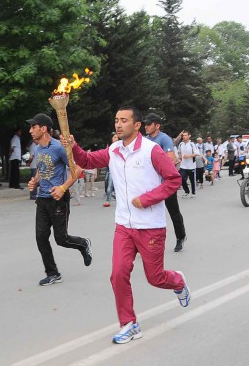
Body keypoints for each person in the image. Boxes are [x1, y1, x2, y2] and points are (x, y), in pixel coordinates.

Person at [68, 106, 190, 344]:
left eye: (124, 120)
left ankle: (178, 281)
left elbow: (173, 179)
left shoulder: (151, 151)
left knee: (155, 278)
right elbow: (86, 160)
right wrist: (73, 145)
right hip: (124, 225)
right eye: (116, 120)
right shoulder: (113, 150)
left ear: (136, 125)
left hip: (150, 226)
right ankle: (129, 324)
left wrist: (146, 199)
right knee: (118, 274)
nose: (118, 124)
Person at [25, 113, 92, 286]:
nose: (30, 130)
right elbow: (42, 168)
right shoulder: (38, 148)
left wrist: (63, 188)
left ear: (43, 128)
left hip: (59, 200)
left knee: (61, 239)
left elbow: (77, 169)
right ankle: (53, 273)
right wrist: (35, 181)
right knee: (41, 237)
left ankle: (83, 244)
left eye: (33, 126)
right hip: (42, 199)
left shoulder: (59, 148)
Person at [143, 113, 187, 252]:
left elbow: (171, 159)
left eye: (149, 124)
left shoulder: (164, 139)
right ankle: (146, 242)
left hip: (165, 183)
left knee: (173, 212)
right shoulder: (145, 140)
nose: (146, 127)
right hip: (150, 184)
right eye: (145, 124)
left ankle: (181, 237)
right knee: (148, 213)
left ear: (157, 125)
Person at [177, 131, 198, 198]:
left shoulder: (192, 144)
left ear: (189, 136)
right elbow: (179, 153)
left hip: (191, 166)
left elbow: (196, 153)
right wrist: (180, 157)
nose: (184, 137)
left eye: (186, 135)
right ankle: (186, 191)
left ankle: (193, 192)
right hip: (183, 165)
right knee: (181, 178)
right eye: (183, 135)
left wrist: (189, 155)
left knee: (192, 180)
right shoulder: (181, 144)